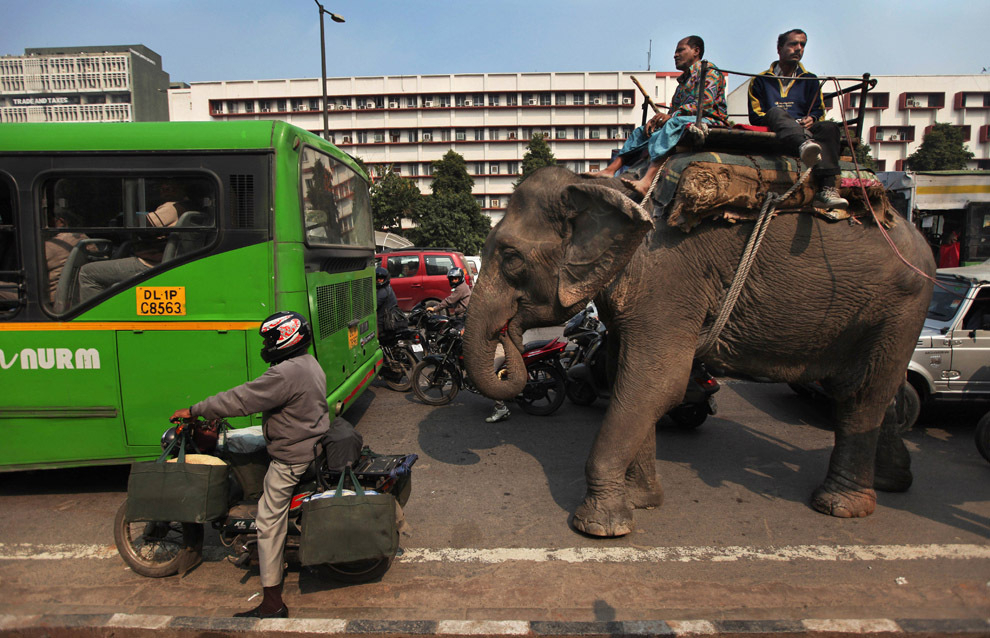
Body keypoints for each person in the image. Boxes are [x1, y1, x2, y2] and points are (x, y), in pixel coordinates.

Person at [171, 311, 328, 619]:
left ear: (285, 338)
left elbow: (242, 398)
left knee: (268, 522)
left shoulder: (285, 374)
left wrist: (195, 409)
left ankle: (273, 603)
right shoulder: (308, 363)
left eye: (270, 338)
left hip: (291, 457)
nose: (267, 344)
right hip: (309, 440)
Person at [598, 35, 729, 195]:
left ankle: (647, 180)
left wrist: (672, 117)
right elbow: (673, 111)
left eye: (680, 50)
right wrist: (657, 120)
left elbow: (705, 103)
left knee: (673, 124)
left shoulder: (709, 71)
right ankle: (611, 169)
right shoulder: (682, 83)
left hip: (709, 119)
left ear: (696, 51)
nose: (675, 55)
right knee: (642, 130)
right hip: (684, 119)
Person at [747, 29, 849, 210]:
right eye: (793, 44)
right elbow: (756, 116)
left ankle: (827, 189)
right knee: (775, 111)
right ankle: (802, 144)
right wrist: (788, 123)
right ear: (779, 48)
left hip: (806, 131)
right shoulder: (761, 80)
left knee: (830, 127)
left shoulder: (810, 79)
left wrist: (812, 119)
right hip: (777, 130)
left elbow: (819, 110)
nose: (798, 49)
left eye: (802, 45)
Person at [78, 179, 192, 302]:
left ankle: (95, 319)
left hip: (150, 264)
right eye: (162, 185)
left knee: (88, 272)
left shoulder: (172, 207)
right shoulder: (189, 207)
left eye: (169, 185)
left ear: (180, 188)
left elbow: (143, 225)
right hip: (167, 260)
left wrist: (127, 217)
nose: (164, 188)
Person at [0, 210, 89, 305]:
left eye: (48, 220)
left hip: (43, 297)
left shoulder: (54, 246)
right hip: (64, 295)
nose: (44, 225)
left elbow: (27, 273)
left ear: (61, 222)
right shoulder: (83, 239)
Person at [376, 266, 407, 336]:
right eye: (377, 278)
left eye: (381, 278)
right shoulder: (388, 288)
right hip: (390, 320)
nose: (378, 280)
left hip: (384, 323)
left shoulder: (383, 292)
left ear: (385, 279)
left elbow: (373, 307)